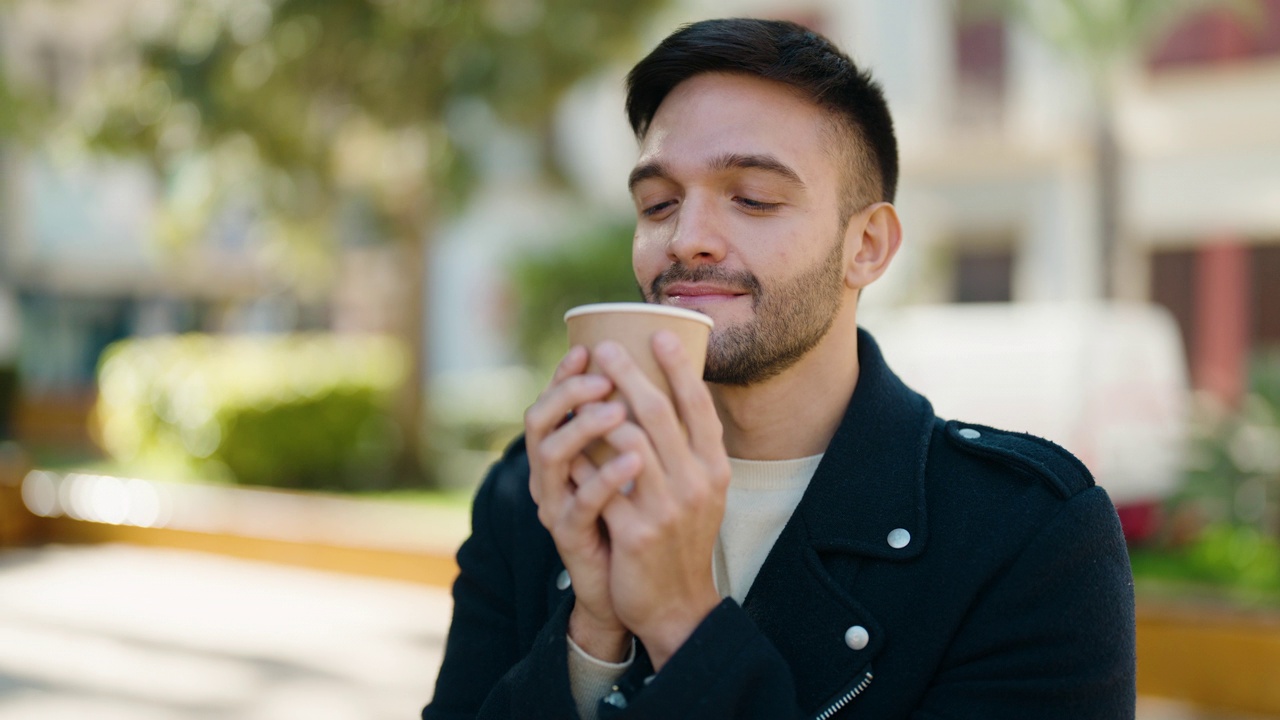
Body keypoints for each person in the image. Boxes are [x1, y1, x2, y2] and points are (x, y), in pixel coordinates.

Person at [423, 17, 1135, 720]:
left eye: (753, 198)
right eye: (658, 203)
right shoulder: (539, 496)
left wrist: (682, 623)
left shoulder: (1024, 537)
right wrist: (591, 638)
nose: (687, 239)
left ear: (868, 246)